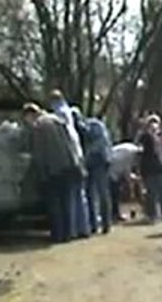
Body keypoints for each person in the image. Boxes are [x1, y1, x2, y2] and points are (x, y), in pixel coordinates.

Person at [22, 103, 78, 244]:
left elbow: (38, 152)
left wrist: (39, 172)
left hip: (51, 168)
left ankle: (57, 235)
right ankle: (68, 233)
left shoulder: (38, 126)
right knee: (66, 201)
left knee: (54, 203)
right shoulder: (57, 120)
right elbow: (70, 143)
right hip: (67, 165)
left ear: (30, 114)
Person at [48, 89, 90, 238]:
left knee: (70, 197)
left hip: (70, 157)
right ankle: (84, 228)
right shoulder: (70, 113)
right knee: (80, 195)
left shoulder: (58, 115)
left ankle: (72, 230)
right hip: (78, 154)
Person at [82, 111, 113, 234]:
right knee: (102, 193)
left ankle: (95, 225)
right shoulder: (98, 125)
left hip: (95, 160)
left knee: (93, 193)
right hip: (103, 160)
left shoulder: (90, 125)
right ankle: (105, 224)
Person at [137, 114, 162, 222]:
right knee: (152, 193)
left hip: (159, 168)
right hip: (150, 168)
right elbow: (140, 148)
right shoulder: (145, 136)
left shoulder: (161, 136)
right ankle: (153, 214)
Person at [109, 140, 141, 224]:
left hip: (114, 170)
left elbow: (126, 170)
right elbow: (125, 169)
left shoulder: (131, 149)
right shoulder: (130, 153)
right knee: (114, 194)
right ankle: (114, 215)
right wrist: (132, 178)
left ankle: (115, 214)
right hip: (110, 170)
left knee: (116, 194)